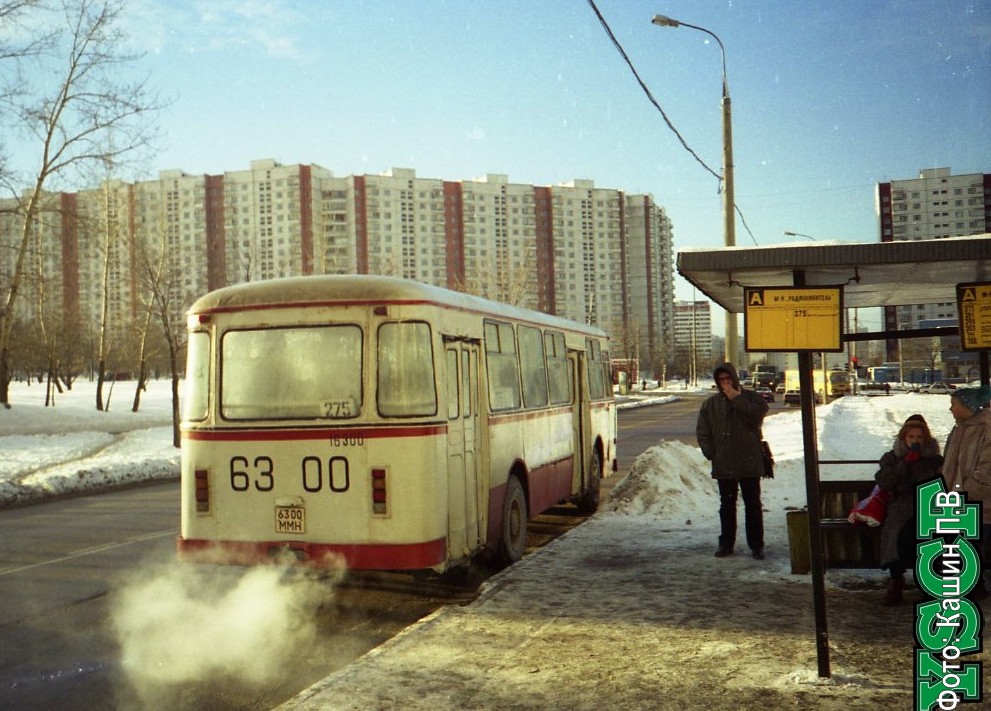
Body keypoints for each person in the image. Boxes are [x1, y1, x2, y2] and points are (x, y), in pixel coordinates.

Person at [696, 362, 770, 559]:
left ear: (735, 379)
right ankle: (726, 544)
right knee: (727, 505)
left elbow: (757, 417)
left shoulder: (751, 398)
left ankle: (756, 545)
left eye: (728, 379)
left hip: (749, 461)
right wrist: (712, 453)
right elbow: (703, 433)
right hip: (725, 462)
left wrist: (737, 399)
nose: (725, 383)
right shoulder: (710, 405)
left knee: (752, 504)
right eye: (721, 380)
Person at [874, 415, 943, 605]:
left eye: (919, 437)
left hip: (927, 506)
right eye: (911, 437)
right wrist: (904, 464)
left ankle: (928, 581)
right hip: (901, 508)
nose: (915, 441)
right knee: (896, 536)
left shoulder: (934, 460)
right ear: (904, 438)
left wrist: (918, 464)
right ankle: (895, 581)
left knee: (929, 538)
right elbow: (886, 482)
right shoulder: (892, 458)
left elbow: (934, 483)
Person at [939, 384, 991, 599]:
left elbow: (987, 467)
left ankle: (974, 585)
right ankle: (971, 585)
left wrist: (968, 491)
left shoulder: (985, 427)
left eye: (954, 404)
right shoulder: (960, 427)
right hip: (960, 499)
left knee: (976, 544)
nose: (950, 409)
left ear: (967, 406)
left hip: (978, 502)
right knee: (963, 544)